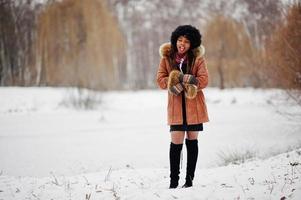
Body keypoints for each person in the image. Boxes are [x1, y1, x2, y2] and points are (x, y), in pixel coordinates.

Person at [156, 25, 209, 189]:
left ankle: (189, 181)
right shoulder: (166, 58)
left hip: (195, 108)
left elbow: (204, 80)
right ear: (175, 40)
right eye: (180, 40)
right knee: (175, 145)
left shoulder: (198, 59)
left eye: (186, 41)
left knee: (192, 144)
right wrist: (172, 81)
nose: (182, 44)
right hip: (176, 109)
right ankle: (173, 183)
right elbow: (160, 80)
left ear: (191, 44)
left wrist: (186, 79)